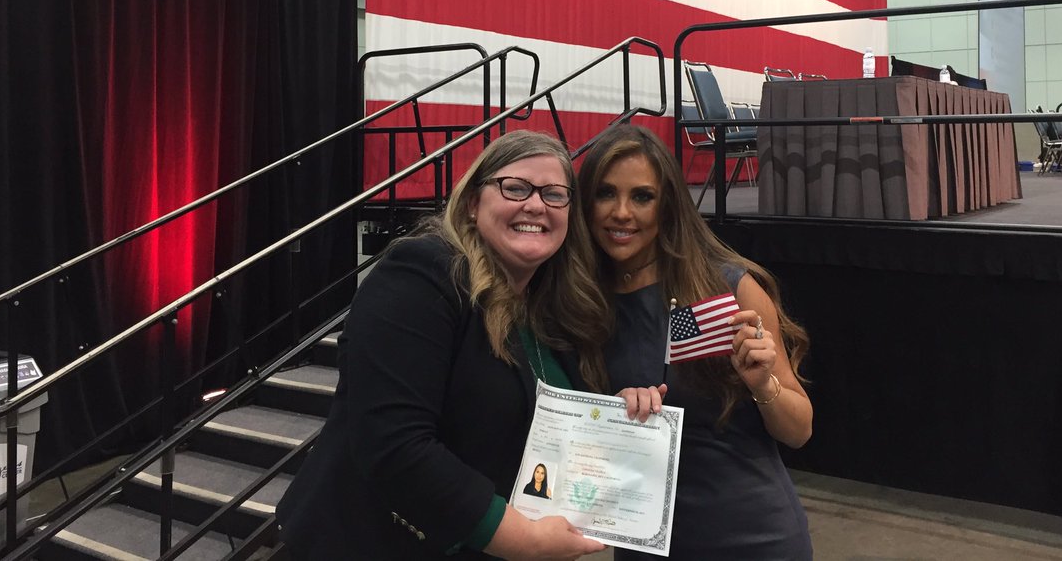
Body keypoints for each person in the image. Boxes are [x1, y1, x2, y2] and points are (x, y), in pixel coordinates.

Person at [277, 130, 609, 560]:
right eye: (515, 188)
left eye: (554, 194)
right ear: (472, 203)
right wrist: (523, 541)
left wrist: (623, 409)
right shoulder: (421, 274)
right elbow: (395, 445)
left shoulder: (553, 305)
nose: (535, 205)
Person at [577, 124, 814, 560]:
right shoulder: (578, 301)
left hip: (753, 540)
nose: (621, 212)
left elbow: (799, 431)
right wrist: (612, 414)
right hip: (644, 542)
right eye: (605, 193)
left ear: (667, 205)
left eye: (642, 197)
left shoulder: (728, 289)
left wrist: (764, 385)